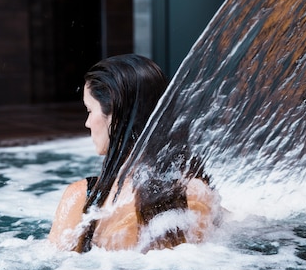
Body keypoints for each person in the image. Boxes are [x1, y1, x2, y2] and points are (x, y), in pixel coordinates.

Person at [48, 54, 219, 252]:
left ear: (116, 117)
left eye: (89, 110)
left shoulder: (82, 199)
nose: (87, 123)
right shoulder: (198, 192)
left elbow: (53, 266)